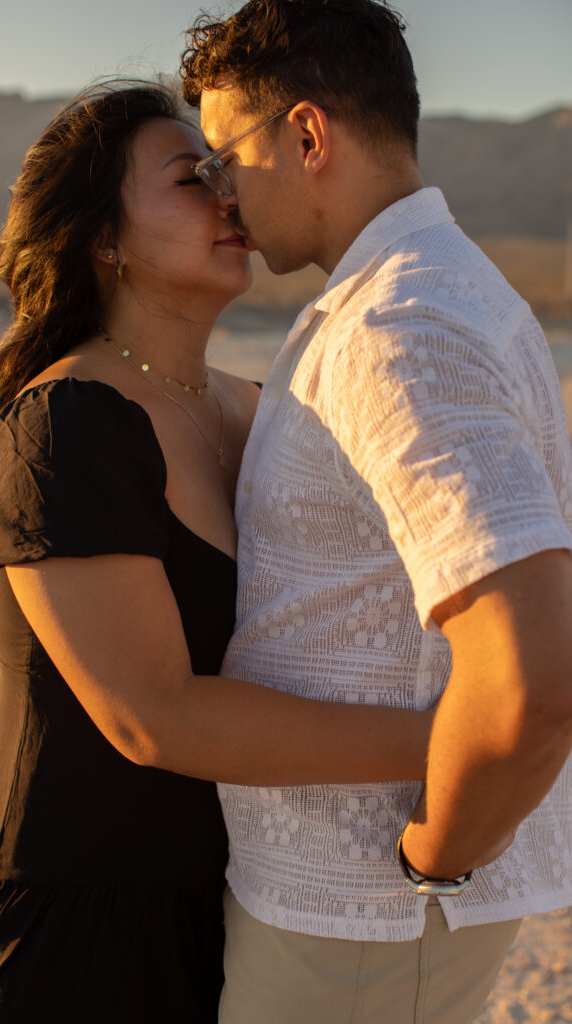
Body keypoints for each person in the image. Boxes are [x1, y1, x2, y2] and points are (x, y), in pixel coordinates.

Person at [0, 82, 435, 1024]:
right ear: (103, 239)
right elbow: (152, 716)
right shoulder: (66, 423)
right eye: (187, 177)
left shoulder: (265, 406)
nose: (226, 194)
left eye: (223, 170)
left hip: (240, 901)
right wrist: (461, 742)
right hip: (76, 923)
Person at [180, 1, 572, 1021]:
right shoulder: (413, 293)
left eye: (224, 158)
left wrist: (431, 857)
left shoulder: (398, 323)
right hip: (355, 918)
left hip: (366, 919)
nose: (220, 196)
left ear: (305, 135)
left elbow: (530, 678)